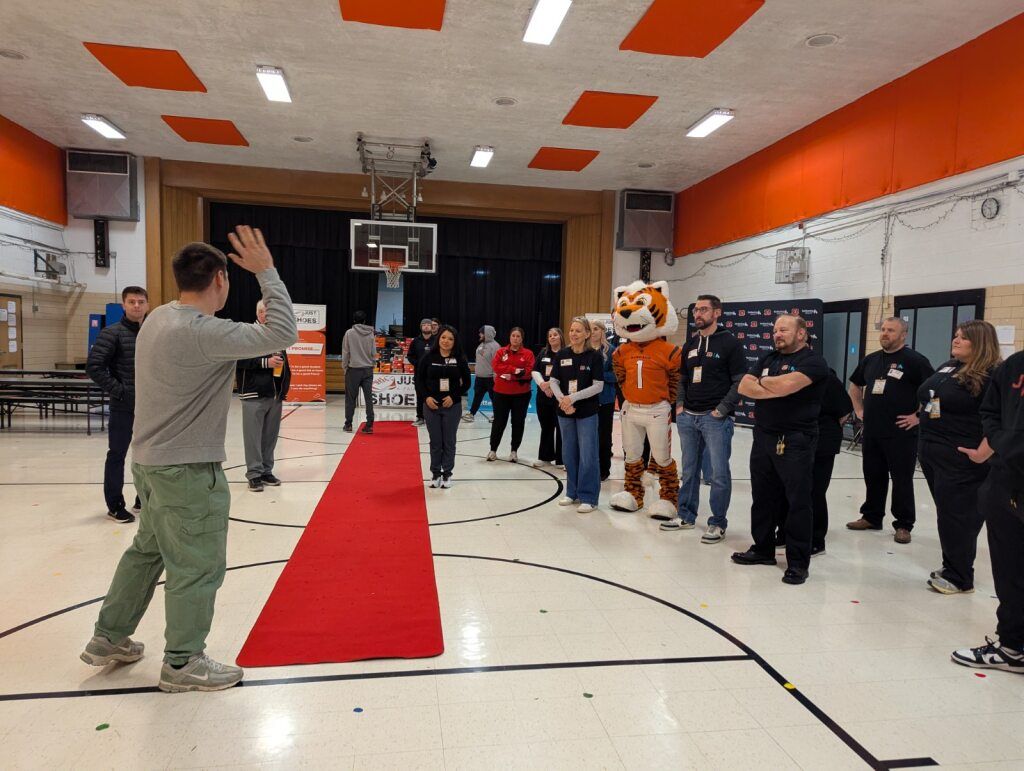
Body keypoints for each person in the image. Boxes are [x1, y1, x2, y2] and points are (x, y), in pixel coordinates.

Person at [79, 227, 297, 693]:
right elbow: (282, 332)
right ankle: (183, 663)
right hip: (187, 470)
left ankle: (108, 637)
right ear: (220, 278)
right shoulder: (203, 332)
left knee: (146, 553)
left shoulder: (158, 317)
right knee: (197, 565)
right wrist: (267, 273)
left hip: (150, 463)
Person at [732, 315, 828, 585]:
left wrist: (766, 384)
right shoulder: (769, 358)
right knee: (763, 496)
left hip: (796, 438)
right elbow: (743, 386)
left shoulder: (813, 361)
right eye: (775, 330)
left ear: (801, 333)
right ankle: (763, 549)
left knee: (797, 501)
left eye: (783, 329)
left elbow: (786, 386)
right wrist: (777, 386)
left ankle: (798, 562)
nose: (777, 334)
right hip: (763, 436)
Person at [951, 349, 1024, 674]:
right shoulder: (1015, 365)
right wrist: (1003, 441)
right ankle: (1013, 646)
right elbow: (991, 410)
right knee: (1009, 568)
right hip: (1008, 478)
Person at [917, 320, 1001, 595]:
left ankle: (960, 577)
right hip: (933, 452)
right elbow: (929, 397)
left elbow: (1002, 418)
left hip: (963, 458)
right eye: (956, 336)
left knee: (959, 517)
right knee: (947, 513)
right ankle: (952, 564)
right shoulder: (949, 366)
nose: (956, 341)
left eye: (963, 338)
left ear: (980, 343)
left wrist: (983, 453)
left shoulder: (992, 375)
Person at [661, 294, 745, 543]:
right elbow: (683, 379)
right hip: (688, 418)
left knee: (719, 474)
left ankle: (717, 523)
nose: (698, 314)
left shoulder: (729, 343)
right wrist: (679, 406)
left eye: (704, 310)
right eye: (696, 310)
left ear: (717, 313)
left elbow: (740, 380)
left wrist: (722, 409)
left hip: (715, 419)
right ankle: (686, 515)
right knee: (688, 471)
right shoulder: (690, 344)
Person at [846, 317, 934, 544]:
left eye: (891, 330)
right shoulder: (871, 360)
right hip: (873, 430)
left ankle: (904, 524)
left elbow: (935, 395)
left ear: (903, 334)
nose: (885, 333)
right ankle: (871, 516)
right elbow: (854, 384)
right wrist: (858, 409)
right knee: (873, 475)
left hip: (901, 433)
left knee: (901, 479)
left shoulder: (916, 361)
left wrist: (919, 418)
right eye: (883, 329)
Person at [86, 285, 149, 523]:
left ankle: (143, 498)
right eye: (131, 302)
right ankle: (114, 504)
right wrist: (120, 391)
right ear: (123, 305)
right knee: (117, 454)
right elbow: (94, 367)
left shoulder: (151, 333)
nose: (136, 306)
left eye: (140, 302)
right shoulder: (111, 333)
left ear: (147, 305)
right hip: (123, 406)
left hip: (149, 406)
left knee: (147, 454)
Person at [776, 368, 853, 555]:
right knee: (787, 488)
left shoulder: (826, 376)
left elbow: (845, 412)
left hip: (822, 441)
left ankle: (816, 538)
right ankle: (786, 532)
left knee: (815, 491)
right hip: (792, 440)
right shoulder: (783, 374)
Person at [550, 317, 604, 513]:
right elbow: (553, 381)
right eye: (572, 330)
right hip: (565, 411)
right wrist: (563, 400)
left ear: (587, 334)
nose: (573, 334)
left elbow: (598, 386)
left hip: (587, 412)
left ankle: (589, 497)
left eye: (578, 331)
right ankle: (572, 492)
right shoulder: (562, 354)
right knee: (569, 453)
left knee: (588, 455)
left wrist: (572, 398)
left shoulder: (595, 356)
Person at [237, 299, 292, 491]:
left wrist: (283, 389)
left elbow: (284, 363)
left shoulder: (277, 336)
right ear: (258, 314)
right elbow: (239, 360)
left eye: (270, 312)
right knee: (253, 437)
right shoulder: (247, 334)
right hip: (253, 393)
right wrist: (265, 363)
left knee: (270, 436)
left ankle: (266, 471)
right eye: (263, 312)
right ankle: (254, 474)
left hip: (274, 395)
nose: (267, 316)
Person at [416, 324, 472, 488]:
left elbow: (467, 383)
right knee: (435, 442)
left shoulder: (460, 359)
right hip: (431, 406)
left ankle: (447, 473)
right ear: (438, 338)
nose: (446, 341)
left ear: (455, 342)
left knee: (449, 441)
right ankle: (435, 473)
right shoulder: (428, 357)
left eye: (450, 339)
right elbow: (419, 381)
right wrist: (426, 398)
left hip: (452, 407)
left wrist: (454, 397)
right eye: (443, 337)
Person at [488, 327, 535, 463]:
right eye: (513, 335)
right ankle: (493, 450)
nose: (515, 338)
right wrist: (514, 370)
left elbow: (528, 371)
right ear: (510, 337)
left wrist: (512, 376)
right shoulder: (501, 351)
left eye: (518, 336)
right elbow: (496, 366)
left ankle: (514, 451)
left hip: (521, 394)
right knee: (499, 422)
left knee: (518, 422)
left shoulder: (528, 354)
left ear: (522, 339)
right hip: (501, 393)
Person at [532, 327, 564, 468]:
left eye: (555, 335)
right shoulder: (543, 353)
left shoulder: (566, 353)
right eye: (550, 335)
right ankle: (545, 457)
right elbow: (535, 370)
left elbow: (569, 375)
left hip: (560, 397)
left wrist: (552, 386)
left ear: (561, 337)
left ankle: (562, 460)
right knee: (546, 427)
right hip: (544, 397)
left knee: (562, 428)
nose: (552, 337)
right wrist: (543, 385)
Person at [590, 322, 617, 481]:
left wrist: (598, 377)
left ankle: (603, 469)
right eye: (591, 329)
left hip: (604, 399)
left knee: (604, 436)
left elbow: (616, 376)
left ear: (602, 331)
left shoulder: (611, 351)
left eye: (596, 329)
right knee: (587, 436)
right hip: (586, 400)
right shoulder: (584, 350)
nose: (593, 332)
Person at [341, 310, 375, 434]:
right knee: (368, 398)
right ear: (365, 321)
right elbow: (373, 353)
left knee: (350, 398)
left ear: (354, 320)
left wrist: (345, 367)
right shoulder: (370, 333)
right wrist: (371, 364)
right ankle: (370, 425)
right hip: (367, 370)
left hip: (353, 370)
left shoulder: (349, 333)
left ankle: (348, 424)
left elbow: (345, 352)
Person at [464, 325, 499, 423]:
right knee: (477, 397)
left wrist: (495, 377)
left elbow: (497, 364)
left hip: (490, 378)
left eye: (481, 332)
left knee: (494, 398)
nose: (479, 334)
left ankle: (497, 415)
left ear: (487, 334)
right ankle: (471, 414)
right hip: (479, 377)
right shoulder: (480, 345)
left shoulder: (495, 346)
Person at [407, 318, 434, 427]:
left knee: (433, 395)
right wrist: (418, 363)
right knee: (420, 396)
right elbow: (410, 356)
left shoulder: (437, 340)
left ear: (432, 327)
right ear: (421, 327)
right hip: (419, 374)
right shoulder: (415, 341)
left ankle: (432, 417)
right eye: (424, 325)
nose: (426, 326)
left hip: (433, 374)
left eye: (428, 324)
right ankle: (420, 417)